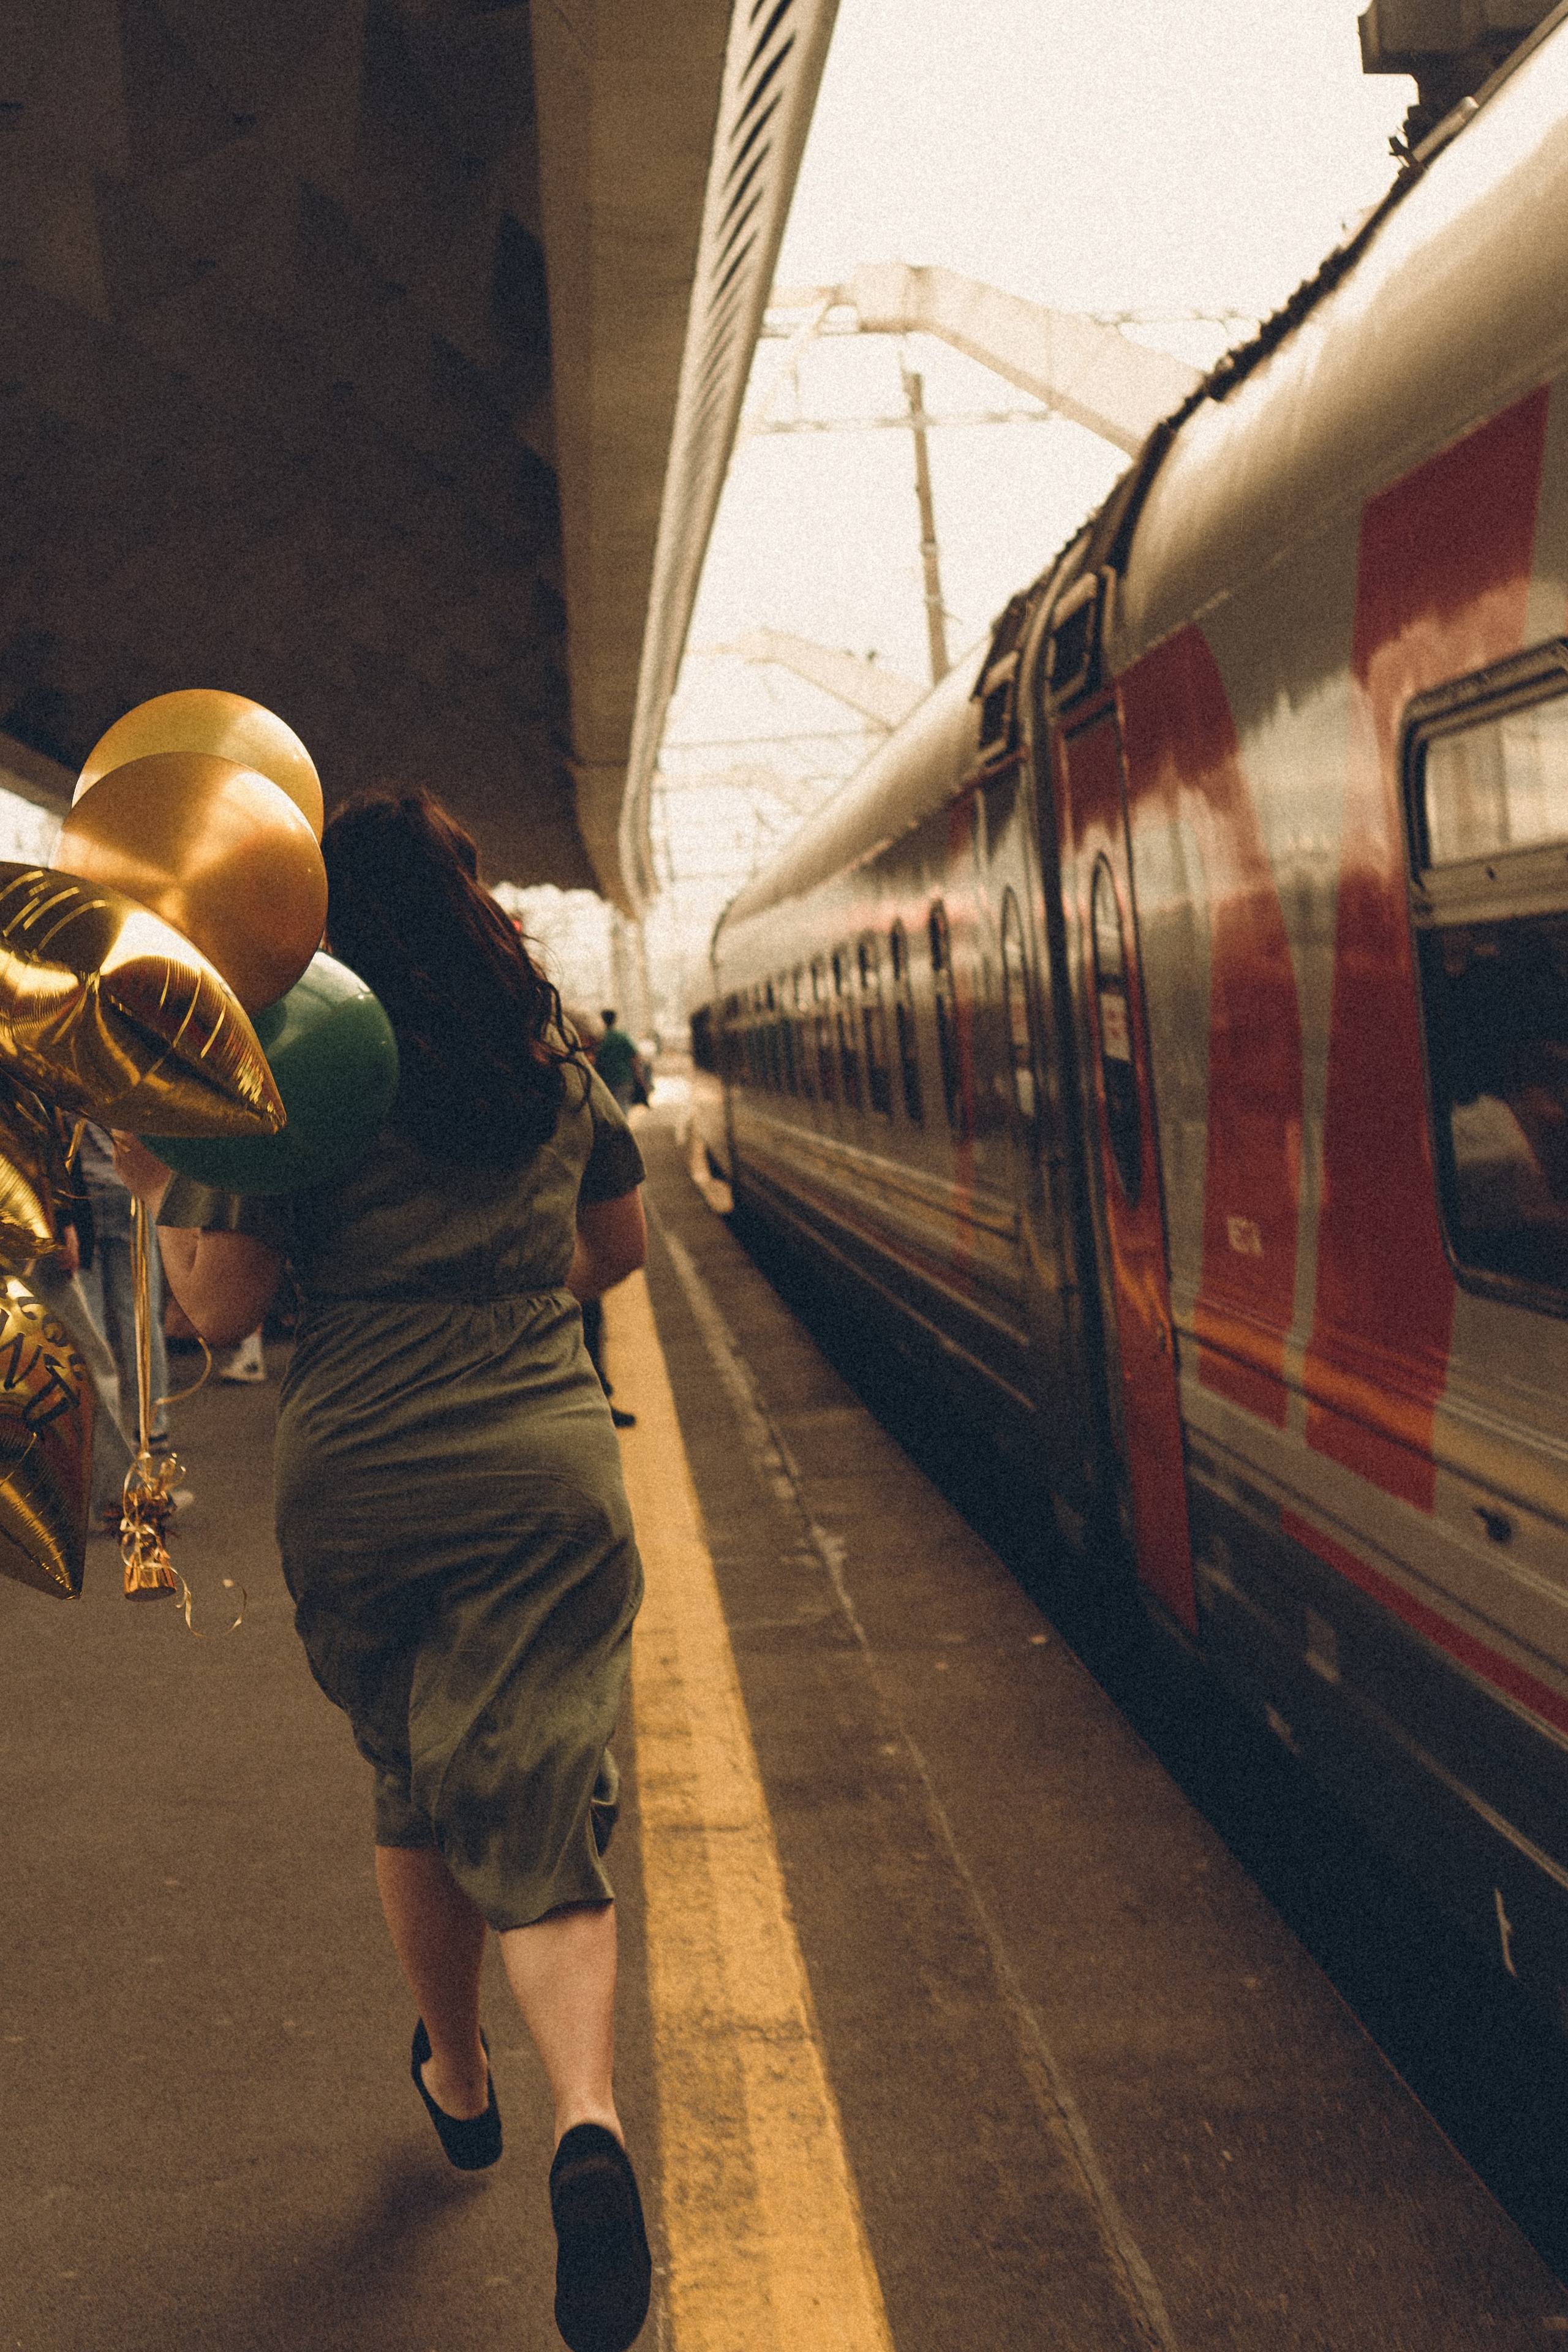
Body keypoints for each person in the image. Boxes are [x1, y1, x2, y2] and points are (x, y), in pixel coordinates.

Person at [115, 789, 652, 2352]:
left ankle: (460, 2075)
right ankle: (590, 2119)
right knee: (542, 1771)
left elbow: (217, 1306)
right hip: (545, 1459)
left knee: (417, 1769)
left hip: (357, 1467)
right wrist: (491, 1298)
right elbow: (613, 1245)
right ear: (470, 901)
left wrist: (166, 1182)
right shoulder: (544, 1045)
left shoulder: (297, 1062)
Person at [593, 1011, 642, 1112]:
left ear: (602, 1020)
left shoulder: (600, 1038)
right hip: (624, 1077)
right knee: (622, 1105)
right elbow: (634, 1058)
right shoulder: (622, 1037)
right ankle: (622, 1125)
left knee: (608, 1107)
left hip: (606, 1078)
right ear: (615, 1020)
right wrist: (638, 1076)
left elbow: (595, 1059)